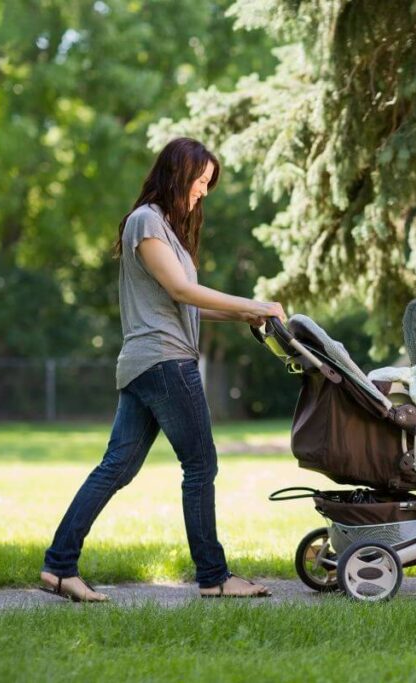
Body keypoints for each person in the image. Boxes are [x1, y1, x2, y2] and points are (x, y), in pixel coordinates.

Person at [40, 137, 283, 601]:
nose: (204, 192)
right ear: (178, 173)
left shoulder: (165, 231)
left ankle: (59, 566)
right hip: (165, 362)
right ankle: (214, 577)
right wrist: (254, 302)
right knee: (200, 464)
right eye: (201, 181)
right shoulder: (146, 222)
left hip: (146, 364)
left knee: (117, 468)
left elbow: (185, 304)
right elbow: (181, 291)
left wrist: (244, 315)